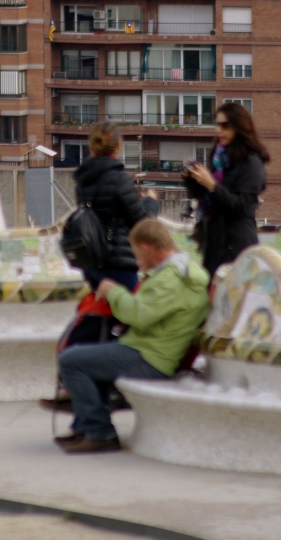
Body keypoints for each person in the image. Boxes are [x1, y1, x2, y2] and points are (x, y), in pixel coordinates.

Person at [55, 218, 209, 452]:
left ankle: (99, 432)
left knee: (71, 360)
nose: (137, 261)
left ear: (146, 248)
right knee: (89, 358)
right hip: (152, 350)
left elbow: (140, 315)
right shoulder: (176, 272)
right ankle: (88, 428)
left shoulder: (171, 278)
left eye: (137, 254)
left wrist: (113, 291)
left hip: (150, 358)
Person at [183, 101, 269, 280]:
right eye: (217, 125)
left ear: (239, 127)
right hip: (214, 246)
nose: (219, 130)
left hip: (236, 249)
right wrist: (193, 180)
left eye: (225, 126)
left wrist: (212, 185)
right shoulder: (219, 159)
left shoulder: (252, 163)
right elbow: (208, 200)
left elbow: (242, 207)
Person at [73, 122, 148, 292]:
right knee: (131, 306)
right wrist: (151, 202)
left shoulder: (83, 180)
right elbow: (142, 223)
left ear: (92, 145)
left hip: (91, 263)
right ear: (118, 145)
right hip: (118, 263)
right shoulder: (120, 179)